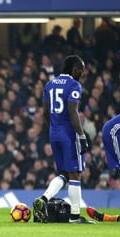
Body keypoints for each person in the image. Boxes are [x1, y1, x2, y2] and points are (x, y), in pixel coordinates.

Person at [33, 55, 94, 224]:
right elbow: (73, 111)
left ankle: (44, 199)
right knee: (75, 174)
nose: (82, 72)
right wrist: (81, 135)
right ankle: (75, 216)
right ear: (74, 68)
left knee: (64, 174)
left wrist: (53, 129)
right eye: (81, 69)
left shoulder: (49, 84)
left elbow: (45, 113)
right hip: (69, 134)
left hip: (54, 133)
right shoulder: (74, 85)